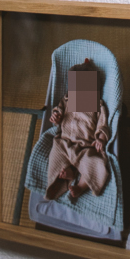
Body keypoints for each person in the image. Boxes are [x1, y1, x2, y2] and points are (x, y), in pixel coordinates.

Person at [45, 58, 109, 201]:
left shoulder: (98, 105)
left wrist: (101, 139)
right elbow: (58, 111)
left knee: (96, 164)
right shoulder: (67, 100)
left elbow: (103, 125)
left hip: (86, 147)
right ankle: (62, 177)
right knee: (55, 157)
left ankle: (80, 186)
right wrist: (56, 117)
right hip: (64, 142)